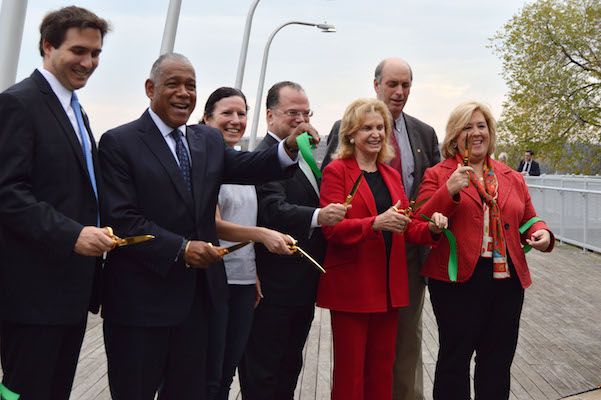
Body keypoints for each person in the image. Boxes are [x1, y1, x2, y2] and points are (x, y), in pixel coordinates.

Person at [98, 55, 317, 399]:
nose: (184, 93)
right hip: (141, 304)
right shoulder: (119, 142)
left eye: (191, 86)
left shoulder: (207, 141)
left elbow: (249, 166)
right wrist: (181, 248)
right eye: (174, 84)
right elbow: (122, 218)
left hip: (198, 305)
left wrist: (288, 147)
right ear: (150, 88)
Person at [0, 7, 114, 399]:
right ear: (47, 47)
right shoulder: (18, 103)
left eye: (96, 53)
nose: (88, 62)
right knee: (23, 391)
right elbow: (7, 193)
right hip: (32, 291)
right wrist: (72, 235)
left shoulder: (75, 109)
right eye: (79, 51)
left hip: (70, 288)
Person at [414, 101, 554, 399]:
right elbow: (421, 221)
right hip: (457, 282)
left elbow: (528, 217)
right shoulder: (438, 174)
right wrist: (449, 189)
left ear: (490, 133)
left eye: (482, 126)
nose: (476, 133)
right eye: (468, 127)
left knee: (498, 361)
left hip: (506, 280)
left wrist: (540, 232)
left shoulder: (511, 177)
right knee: (455, 359)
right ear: (454, 136)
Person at [322, 57, 440, 400]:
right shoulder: (336, 172)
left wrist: (431, 229)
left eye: (379, 129)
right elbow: (332, 229)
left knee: (381, 371)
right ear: (351, 134)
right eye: (367, 128)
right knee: (349, 374)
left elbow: (407, 225)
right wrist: (374, 223)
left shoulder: (390, 175)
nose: (375, 134)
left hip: (390, 287)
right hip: (353, 287)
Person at [239, 81, 347, 400]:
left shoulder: (308, 157)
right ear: (270, 116)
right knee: (263, 373)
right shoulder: (262, 158)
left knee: (289, 368)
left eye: (306, 113)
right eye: (292, 113)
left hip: (302, 287)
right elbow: (274, 209)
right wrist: (320, 216)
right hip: (271, 289)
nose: (301, 120)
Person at [200, 87, 294, 400]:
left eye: (241, 114)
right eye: (227, 113)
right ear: (206, 118)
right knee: (207, 376)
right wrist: (261, 235)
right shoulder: (204, 165)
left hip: (242, 280)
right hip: (212, 278)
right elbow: (212, 224)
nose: (236, 120)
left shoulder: (242, 164)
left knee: (227, 374)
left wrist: (250, 270)